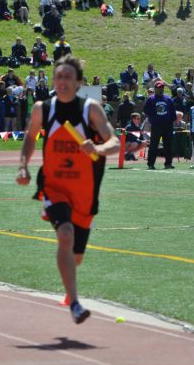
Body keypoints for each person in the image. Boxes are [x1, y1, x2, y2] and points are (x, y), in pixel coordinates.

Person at [16, 55, 119, 324]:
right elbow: (30, 137)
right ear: (53, 80)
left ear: (78, 83)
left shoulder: (90, 110)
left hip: (84, 192)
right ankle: (74, 303)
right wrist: (22, 166)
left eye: (68, 78)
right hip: (54, 185)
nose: (62, 82)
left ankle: (68, 285)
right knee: (65, 233)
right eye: (59, 77)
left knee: (76, 257)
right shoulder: (44, 109)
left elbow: (115, 143)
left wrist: (97, 149)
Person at [143, 81, 176, 170]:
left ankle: (168, 163)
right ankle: (150, 164)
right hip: (156, 125)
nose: (160, 89)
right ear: (155, 89)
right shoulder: (151, 99)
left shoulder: (168, 99)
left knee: (168, 145)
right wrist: (154, 111)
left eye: (162, 88)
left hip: (167, 125)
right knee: (154, 145)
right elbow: (145, 110)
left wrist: (171, 120)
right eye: (158, 88)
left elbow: (173, 111)